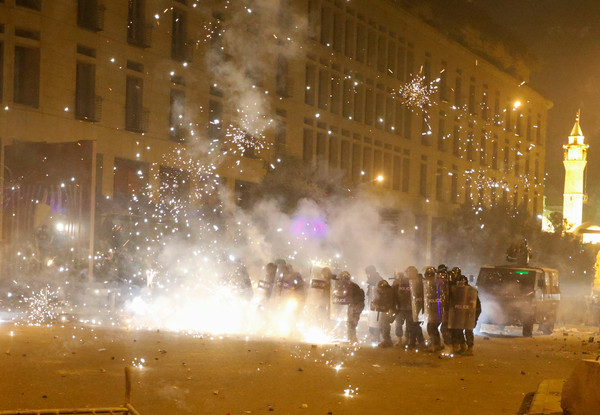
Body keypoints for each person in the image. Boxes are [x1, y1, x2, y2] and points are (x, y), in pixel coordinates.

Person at [423, 266, 445, 352]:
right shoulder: (427, 285)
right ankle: (436, 344)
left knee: (432, 327)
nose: (429, 277)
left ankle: (436, 345)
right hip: (432, 310)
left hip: (438, 310)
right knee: (431, 327)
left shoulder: (439, 283)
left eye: (430, 275)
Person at [339, 271, 364, 344]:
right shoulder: (350, 285)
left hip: (356, 305)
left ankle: (352, 339)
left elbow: (353, 297)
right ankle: (351, 339)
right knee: (350, 322)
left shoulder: (352, 286)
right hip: (354, 305)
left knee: (352, 322)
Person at [371, 279, 396, 348]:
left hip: (388, 310)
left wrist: (391, 309)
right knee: (381, 324)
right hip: (384, 310)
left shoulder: (390, 293)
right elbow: (377, 299)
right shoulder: (381, 292)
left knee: (385, 325)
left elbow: (392, 302)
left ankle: (387, 340)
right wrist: (373, 303)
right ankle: (386, 339)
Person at [406, 266, 426, 349]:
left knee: (415, 325)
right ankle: (415, 341)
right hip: (411, 307)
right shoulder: (410, 282)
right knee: (411, 325)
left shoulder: (421, 282)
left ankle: (416, 342)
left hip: (419, 306)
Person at [393, 271, 413, 347]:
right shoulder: (396, 283)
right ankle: (400, 339)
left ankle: (406, 339)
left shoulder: (411, 282)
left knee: (408, 324)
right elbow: (393, 294)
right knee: (399, 323)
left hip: (408, 307)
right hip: (400, 307)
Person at [365, 265, 383, 342]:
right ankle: (372, 334)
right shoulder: (373, 279)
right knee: (372, 319)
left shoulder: (377, 279)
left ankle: (376, 336)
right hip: (372, 302)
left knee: (376, 320)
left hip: (376, 303)